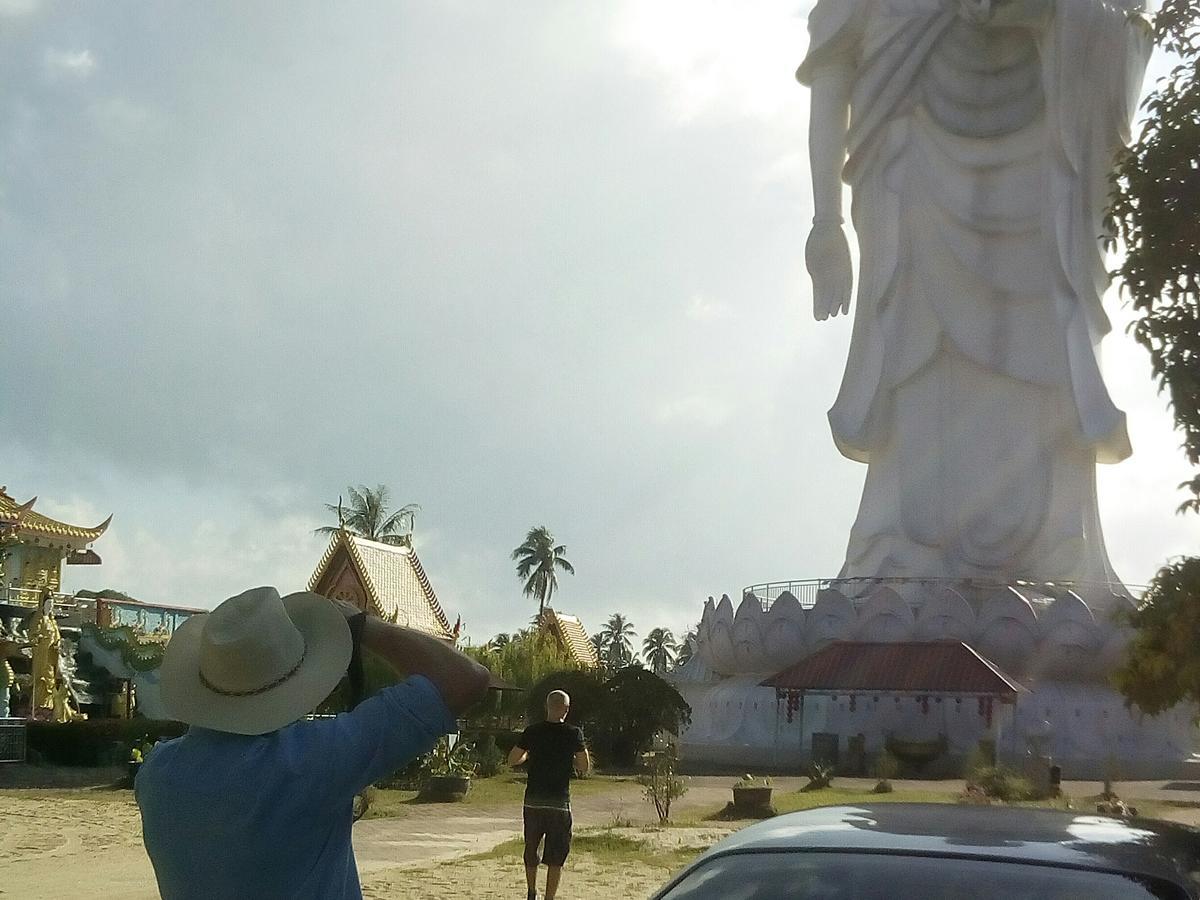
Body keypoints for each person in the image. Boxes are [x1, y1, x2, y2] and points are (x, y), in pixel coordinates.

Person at [800, 0, 1151, 597]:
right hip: (912, 180)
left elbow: (1119, 25)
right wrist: (826, 222)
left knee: (1044, 353)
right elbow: (831, 85)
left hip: (1041, 173)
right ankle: (900, 546)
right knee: (916, 352)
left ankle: (1058, 551)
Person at [136, 585, 490, 899]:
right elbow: (465, 679)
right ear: (296, 681)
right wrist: (362, 625)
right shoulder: (311, 763)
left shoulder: (156, 775)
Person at [508, 690, 590, 900]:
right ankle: (549, 897)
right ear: (566, 709)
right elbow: (584, 766)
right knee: (556, 855)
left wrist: (527, 755)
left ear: (547, 706)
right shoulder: (574, 733)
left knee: (531, 847)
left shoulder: (532, 732)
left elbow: (512, 759)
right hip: (559, 802)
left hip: (533, 800)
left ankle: (531, 891)